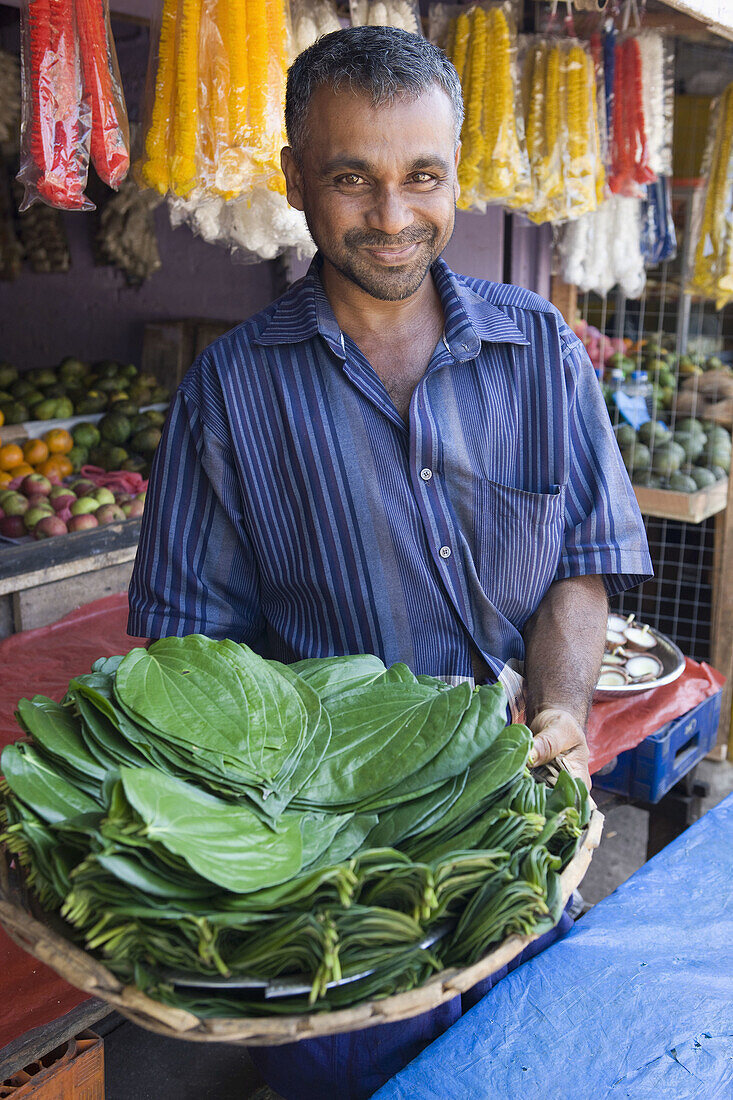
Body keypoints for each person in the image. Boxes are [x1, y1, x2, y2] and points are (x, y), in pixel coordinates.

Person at [128, 26, 652, 1098]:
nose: (394, 215)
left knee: (526, 1070)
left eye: (423, 176)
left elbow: (577, 567)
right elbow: (189, 650)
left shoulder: (541, 353)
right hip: (333, 865)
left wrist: (560, 706)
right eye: (351, 179)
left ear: (455, 171)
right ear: (294, 181)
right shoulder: (230, 393)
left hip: (512, 826)